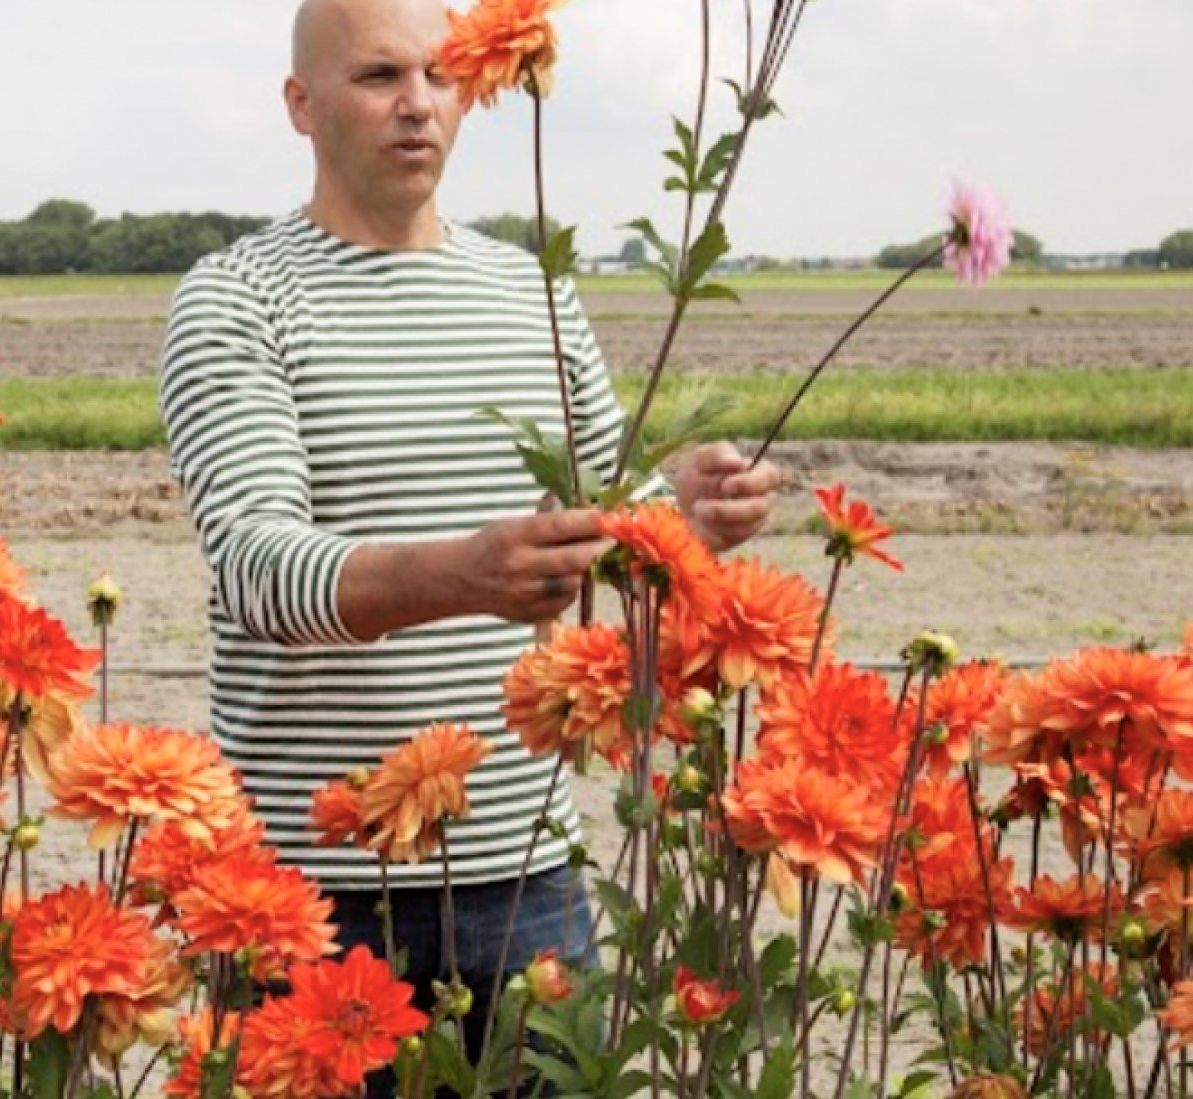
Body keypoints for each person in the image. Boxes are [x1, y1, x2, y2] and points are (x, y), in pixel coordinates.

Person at [155, 0, 784, 1068]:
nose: (417, 106)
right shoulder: (235, 300)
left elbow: (598, 523)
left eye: (440, 77)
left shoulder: (529, 288)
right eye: (377, 77)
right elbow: (260, 571)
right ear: (300, 105)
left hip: (525, 873)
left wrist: (675, 515)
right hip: (310, 893)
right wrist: (465, 573)